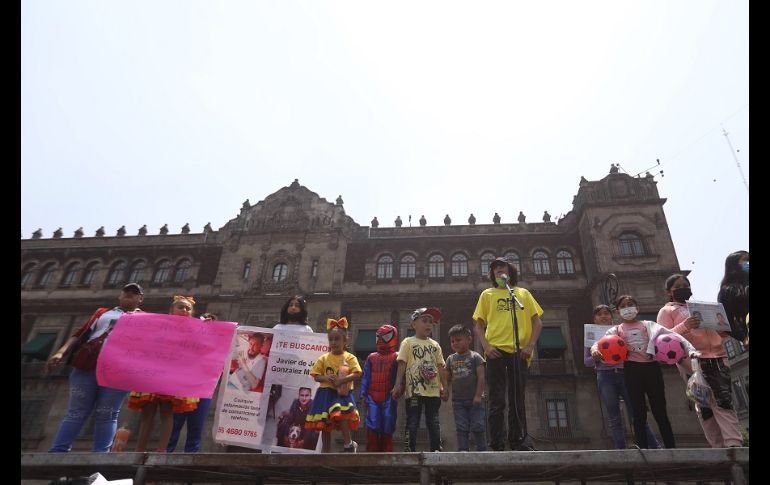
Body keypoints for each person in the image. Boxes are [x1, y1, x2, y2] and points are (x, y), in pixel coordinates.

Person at [46, 283, 144, 452]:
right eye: (126, 291)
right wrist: (60, 352)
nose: (129, 294)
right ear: (119, 296)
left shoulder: (146, 319)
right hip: (87, 365)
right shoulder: (102, 312)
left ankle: (101, 457)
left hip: (118, 370)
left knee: (108, 414)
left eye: (134, 293)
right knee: (76, 412)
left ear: (140, 299)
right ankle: (57, 452)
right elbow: (80, 333)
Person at [591, 295, 697, 449]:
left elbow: (674, 335)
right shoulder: (616, 330)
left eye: (630, 304)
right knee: (638, 413)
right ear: (619, 311)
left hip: (652, 369)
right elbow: (599, 343)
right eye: (623, 306)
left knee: (660, 410)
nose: (627, 308)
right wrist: (595, 350)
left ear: (637, 308)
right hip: (631, 371)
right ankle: (642, 449)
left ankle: (671, 448)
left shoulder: (649, 325)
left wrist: (691, 350)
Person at [657, 274, 742, 448]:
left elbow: (720, 334)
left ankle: (734, 445)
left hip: (718, 358)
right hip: (693, 362)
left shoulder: (702, 307)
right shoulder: (667, 311)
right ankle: (718, 448)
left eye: (686, 285)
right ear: (669, 292)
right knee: (704, 406)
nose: (684, 289)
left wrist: (723, 329)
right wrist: (685, 326)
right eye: (678, 287)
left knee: (723, 400)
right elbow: (661, 338)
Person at [472, 257, 543, 451]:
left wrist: (530, 346)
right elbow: (479, 325)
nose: (498, 270)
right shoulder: (487, 294)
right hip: (495, 352)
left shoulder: (522, 294)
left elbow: (537, 323)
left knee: (517, 398)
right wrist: (486, 347)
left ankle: (518, 439)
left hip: (519, 352)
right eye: (495, 268)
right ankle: (496, 442)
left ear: (509, 271)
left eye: (501, 267)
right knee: (496, 399)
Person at [128, 296, 199, 452]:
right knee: (148, 413)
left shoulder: (194, 330)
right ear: (171, 310)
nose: (185, 310)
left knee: (167, 413)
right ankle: (139, 451)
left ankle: (161, 452)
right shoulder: (158, 325)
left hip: (173, 375)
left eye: (188, 308)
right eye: (181, 307)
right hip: (153, 372)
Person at [584, 304, 659, 449]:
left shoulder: (621, 331)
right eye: (600, 314)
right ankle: (621, 450)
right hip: (605, 376)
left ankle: (654, 446)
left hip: (626, 373)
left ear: (612, 317)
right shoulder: (591, 335)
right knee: (614, 416)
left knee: (637, 413)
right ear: (595, 318)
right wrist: (596, 357)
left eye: (606, 313)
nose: (604, 316)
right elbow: (586, 361)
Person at [391, 307, 448, 452]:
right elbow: (402, 364)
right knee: (412, 421)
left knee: (433, 421)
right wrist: (397, 385)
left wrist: (444, 387)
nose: (428, 324)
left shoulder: (435, 345)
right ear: (414, 324)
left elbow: (441, 367)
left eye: (431, 322)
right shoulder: (408, 342)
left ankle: (436, 449)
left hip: (433, 391)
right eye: (424, 321)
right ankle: (409, 448)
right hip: (414, 391)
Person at [305, 317, 362, 452]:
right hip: (325, 394)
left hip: (342, 393)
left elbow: (358, 373)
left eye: (337, 339)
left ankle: (348, 444)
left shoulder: (349, 357)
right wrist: (327, 378)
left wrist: (342, 380)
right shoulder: (323, 358)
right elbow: (316, 376)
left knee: (341, 415)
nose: (334, 342)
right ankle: (326, 451)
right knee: (324, 424)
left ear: (345, 340)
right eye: (331, 339)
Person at [167, 312, 218, 453]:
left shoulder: (219, 344)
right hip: (182, 387)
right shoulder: (186, 340)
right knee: (174, 424)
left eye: (212, 321)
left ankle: (190, 455)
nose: (208, 323)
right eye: (204, 320)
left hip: (204, 388)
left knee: (196, 426)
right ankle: (165, 453)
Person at [269, 295, 313, 417]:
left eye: (297, 306)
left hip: (296, 377)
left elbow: (310, 353)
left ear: (302, 310)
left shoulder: (307, 330)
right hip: (276, 376)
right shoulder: (277, 328)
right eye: (291, 305)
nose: (293, 308)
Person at [445, 324, 487, 451]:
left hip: (475, 400)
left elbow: (481, 377)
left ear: (469, 340)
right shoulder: (450, 359)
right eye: (452, 341)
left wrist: (478, 395)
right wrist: (444, 391)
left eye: (458, 340)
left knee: (478, 426)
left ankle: (482, 451)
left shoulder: (476, 357)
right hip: (458, 400)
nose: (455, 343)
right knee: (461, 427)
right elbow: (446, 378)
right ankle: (463, 450)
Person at [359, 324, 399, 452]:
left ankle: (387, 453)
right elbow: (365, 377)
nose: (381, 339)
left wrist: (400, 388)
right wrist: (363, 394)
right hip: (372, 397)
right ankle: (372, 453)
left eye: (385, 336)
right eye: (379, 337)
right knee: (372, 424)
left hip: (389, 396)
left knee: (388, 423)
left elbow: (401, 375)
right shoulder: (371, 357)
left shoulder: (397, 357)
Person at [718, 250, 749, 350]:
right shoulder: (727, 291)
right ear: (734, 265)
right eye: (746, 260)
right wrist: (743, 338)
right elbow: (725, 321)